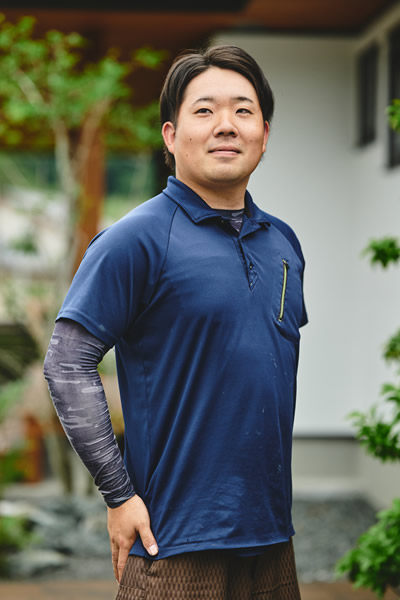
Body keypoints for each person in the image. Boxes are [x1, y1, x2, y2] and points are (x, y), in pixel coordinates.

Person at [44, 45, 308, 600]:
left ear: (264, 133)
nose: (226, 125)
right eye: (204, 110)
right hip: (172, 544)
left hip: (271, 540)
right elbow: (67, 364)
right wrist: (118, 495)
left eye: (243, 110)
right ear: (170, 135)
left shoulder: (283, 243)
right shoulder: (136, 239)